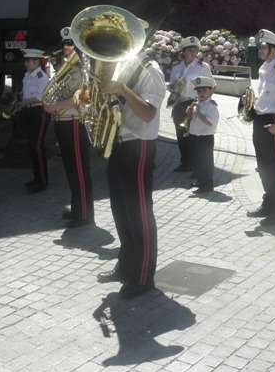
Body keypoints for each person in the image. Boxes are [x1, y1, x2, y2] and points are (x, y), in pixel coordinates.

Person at [94, 47, 166, 299]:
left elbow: (147, 113)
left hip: (140, 143)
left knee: (140, 212)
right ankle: (126, 267)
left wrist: (122, 89)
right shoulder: (123, 65)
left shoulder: (151, 70)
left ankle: (144, 276)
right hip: (119, 141)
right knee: (121, 209)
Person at [44, 29, 93, 226]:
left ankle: (83, 215)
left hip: (73, 122)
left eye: (71, 45)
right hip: (62, 122)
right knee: (70, 169)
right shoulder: (62, 66)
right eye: (65, 44)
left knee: (79, 169)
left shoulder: (79, 69)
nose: (67, 48)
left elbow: (81, 99)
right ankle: (77, 208)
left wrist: (54, 106)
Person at [246, 29, 275, 225]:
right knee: (264, 166)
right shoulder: (264, 67)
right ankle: (269, 203)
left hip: (274, 119)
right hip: (260, 118)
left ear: (274, 49)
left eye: (264, 47)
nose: (260, 50)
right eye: (260, 46)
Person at [168, 37, 212, 172]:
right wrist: (173, 87)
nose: (194, 53)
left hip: (194, 103)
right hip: (179, 102)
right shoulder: (176, 67)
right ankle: (186, 163)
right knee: (181, 136)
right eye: (190, 50)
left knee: (194, 136)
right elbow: (171, 86)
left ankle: (197, 166)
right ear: (184, 52)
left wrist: (203, 106)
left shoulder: (203, 67)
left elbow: (211, 86)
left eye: (195, 50)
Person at [19, 48, 51, 191]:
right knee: (32, 146)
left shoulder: (41, 77)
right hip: (30, 111)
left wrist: (24, 102)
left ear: (36, 62)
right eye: (25, 61)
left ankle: (42, 181)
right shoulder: (28, 74)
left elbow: (41, 97)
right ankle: (36, 178)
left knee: (37, 146)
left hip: (40, 111)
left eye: (28, 61)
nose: (25, 63)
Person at [185, 76, 219, 194]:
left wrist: (198, 113)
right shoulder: (196, 103)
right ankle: (200, 180)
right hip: (194, 135)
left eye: (205, 90)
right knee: (197, 161)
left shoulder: (212, 106)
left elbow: (210, 123)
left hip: (205, 138)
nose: (201, 94)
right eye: (199, 91)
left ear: (211, 91)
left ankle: (207, 185)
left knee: (206, 162)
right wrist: (189, 113)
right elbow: (189, 119)